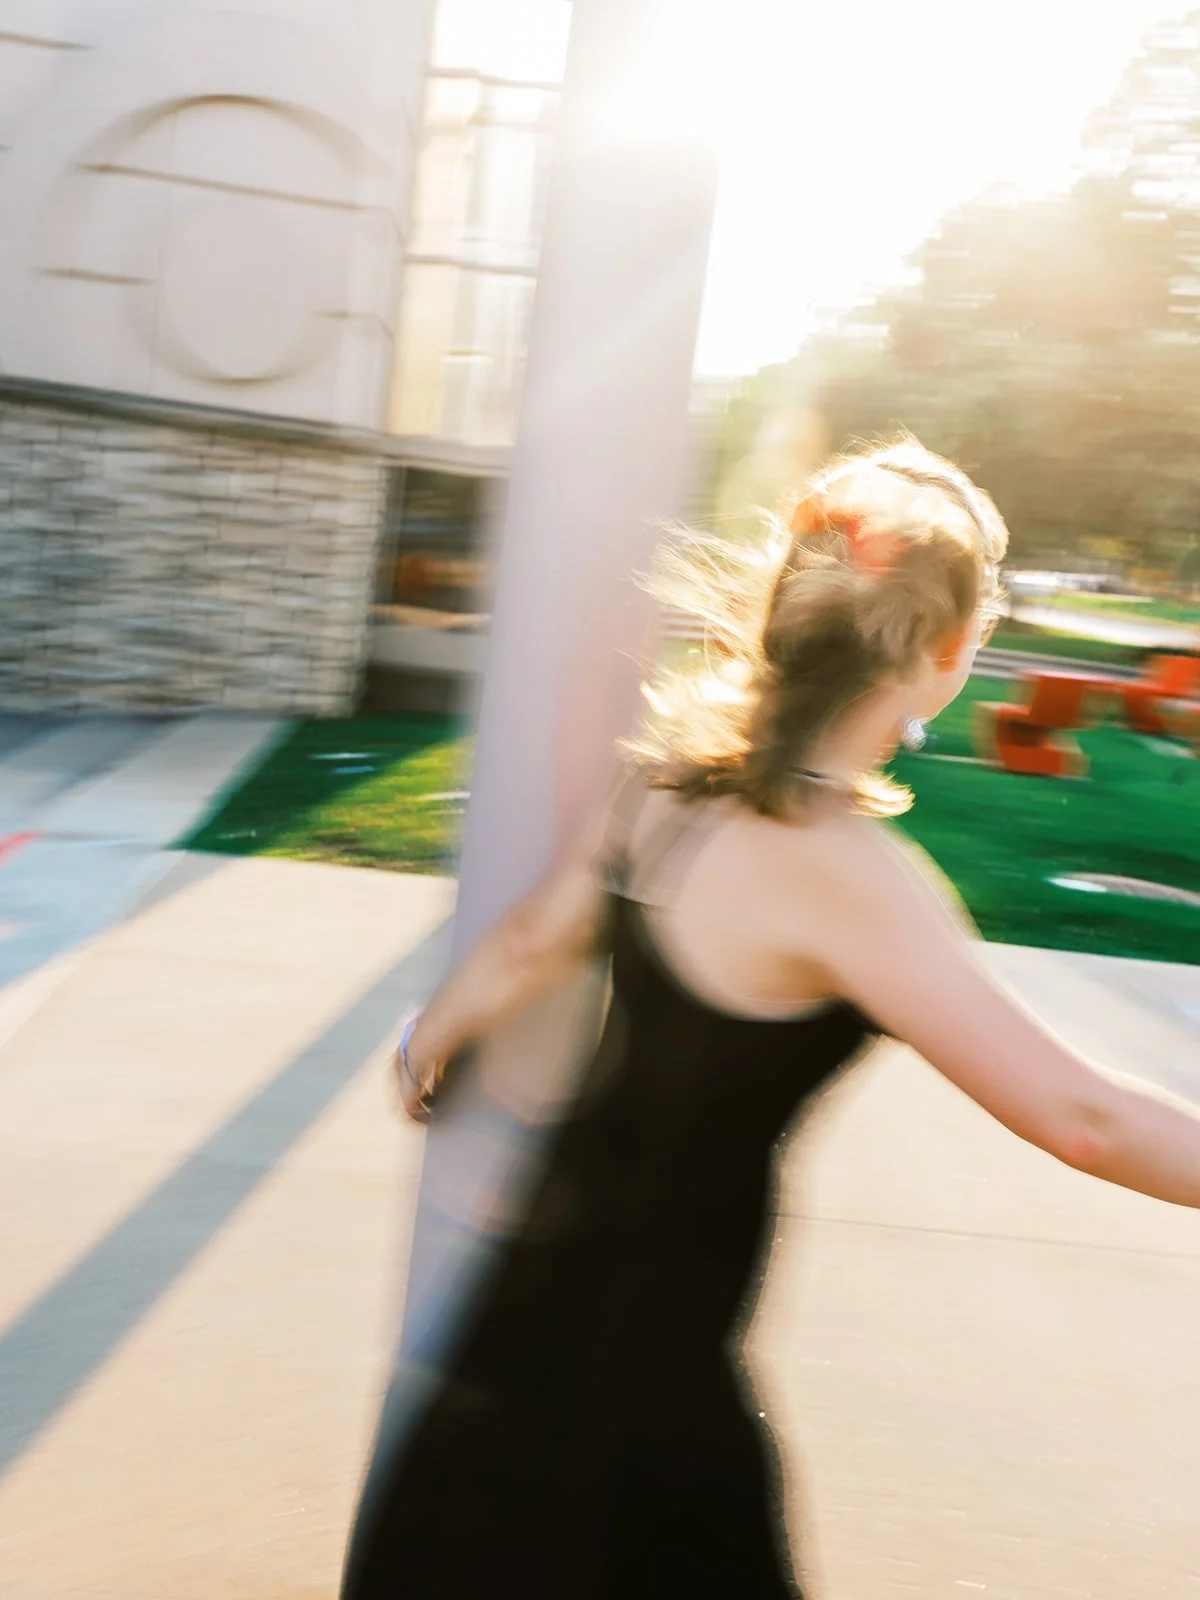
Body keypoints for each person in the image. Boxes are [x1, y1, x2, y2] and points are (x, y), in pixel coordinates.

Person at [342, 438, 1200, 1600]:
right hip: (644, 1393)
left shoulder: (669, 787)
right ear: (951, 653)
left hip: (520, 1324)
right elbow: (1083, 1115)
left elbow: (541, 935)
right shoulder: (848, 874)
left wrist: (423, 1038)